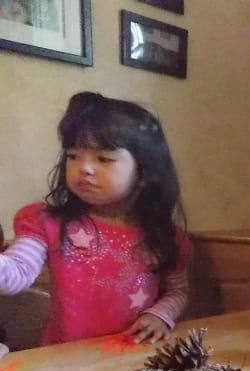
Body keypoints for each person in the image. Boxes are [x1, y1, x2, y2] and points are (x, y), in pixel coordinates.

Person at [0, 92, 189, 345]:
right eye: (72, 156)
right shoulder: (47, 223)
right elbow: (17, 274)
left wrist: (160, 315)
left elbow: (177, 291)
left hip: (132, 358)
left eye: (104, 159)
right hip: (63, 362)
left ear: (145, 172)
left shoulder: (165, 236)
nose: (84, 168)